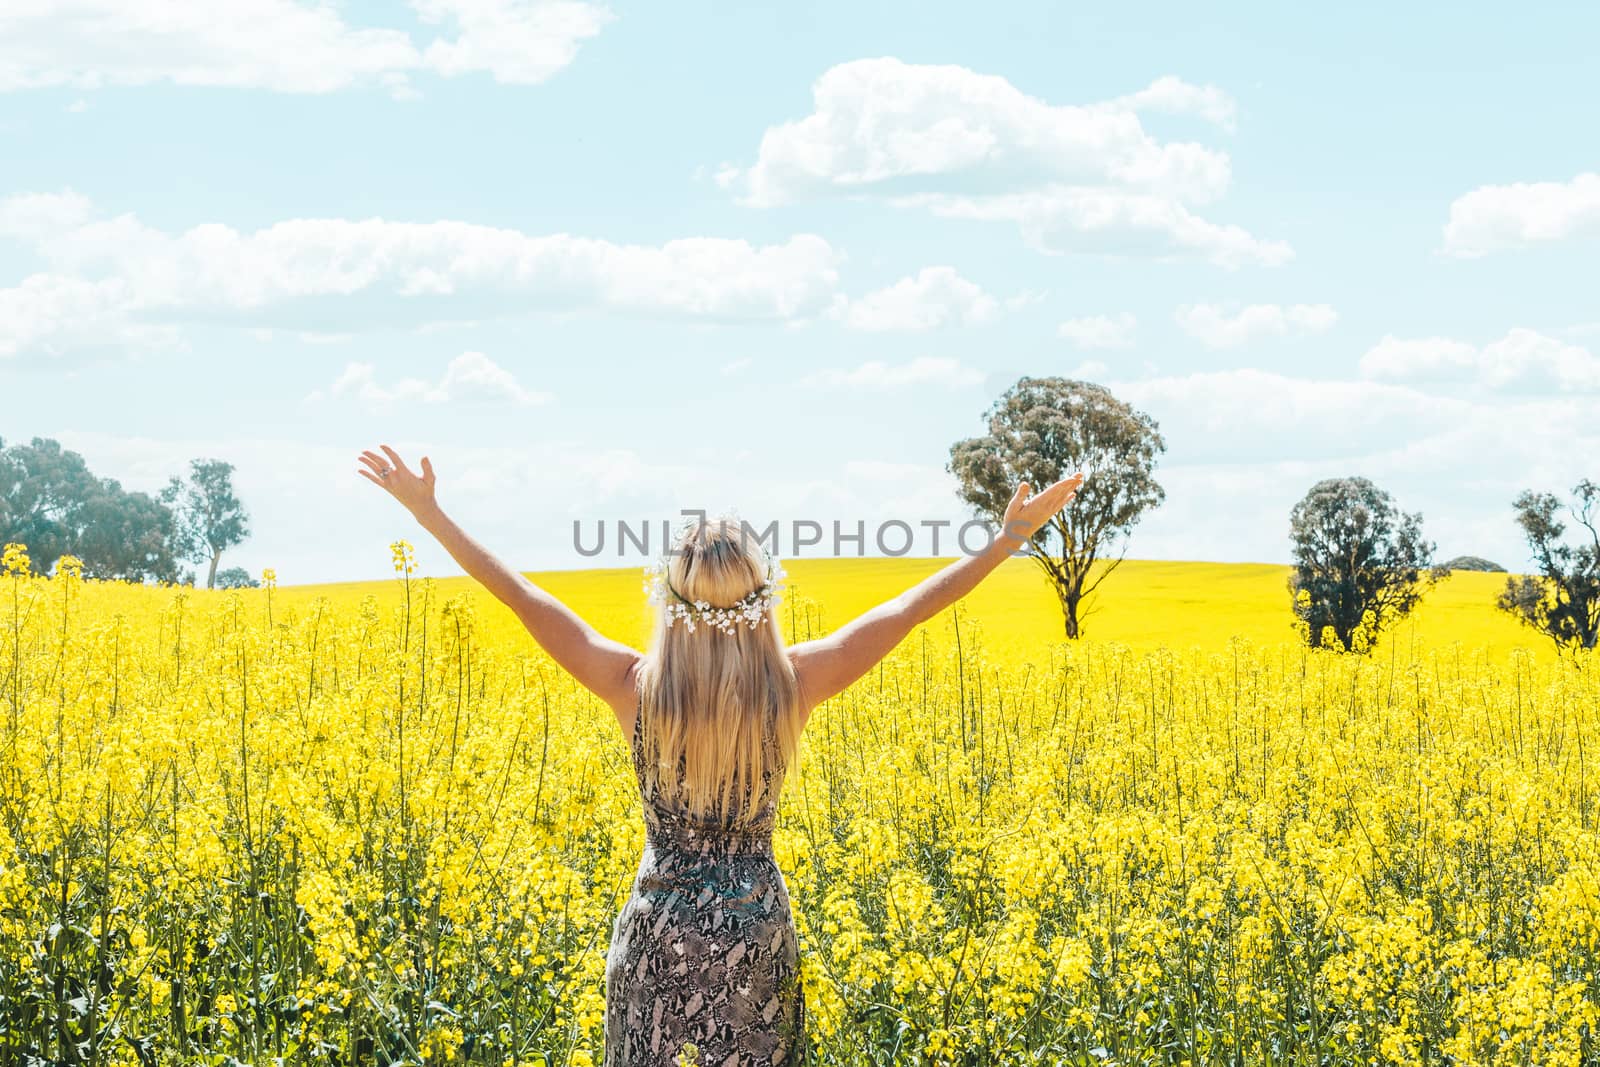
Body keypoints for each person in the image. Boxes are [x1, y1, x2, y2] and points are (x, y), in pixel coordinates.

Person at [357, 444, 1083, 1066]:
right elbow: (907, 610)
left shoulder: (632, 688)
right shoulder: (791, 687)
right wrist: (1002, 541)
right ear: (762, 600)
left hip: (655, 938)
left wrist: (429, 514)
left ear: (671, 599)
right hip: (754, 934)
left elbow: (519, 595)